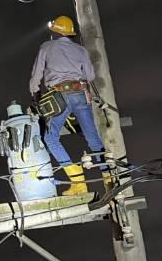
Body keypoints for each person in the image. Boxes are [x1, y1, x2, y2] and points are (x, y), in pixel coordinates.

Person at [29, 15, 105, 196]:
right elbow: (90, 76)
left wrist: (34, 94)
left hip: (59, 96)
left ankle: (78, 182)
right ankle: (110, 176)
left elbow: (36, 76)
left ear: (54, 32)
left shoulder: (46, 47)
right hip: (80, 94)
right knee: (92, 138)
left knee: (51, 139)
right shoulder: (81, 50)